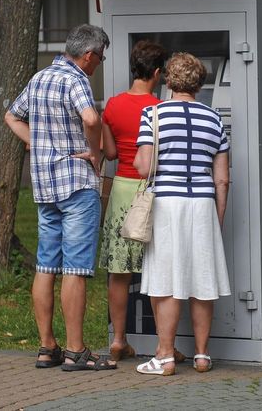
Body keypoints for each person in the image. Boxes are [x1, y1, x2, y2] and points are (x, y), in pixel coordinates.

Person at [4, 24, 116, 372]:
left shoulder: (39, 78)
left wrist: (37, 143)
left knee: (46, 265)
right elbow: (90, 117)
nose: (99, 64)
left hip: (45, 186)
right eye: (100, 58)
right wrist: (93, 151)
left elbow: (11, 116)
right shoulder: (76, 80)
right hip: (77, 185)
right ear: (89, 55)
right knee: (75, 268)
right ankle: (76, 351)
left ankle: (46, 347)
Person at [133, 52, 231, 376]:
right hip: (202, 202)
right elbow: (222, 178)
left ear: (168, 80)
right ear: (200, 83)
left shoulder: (153, 114)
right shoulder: (214, 119)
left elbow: (145, 166)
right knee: (203, 281)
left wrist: (137, 161)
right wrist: (217, 217)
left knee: (166, 280)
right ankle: (202, 355)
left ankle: (164, 356)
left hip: (167, 203)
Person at [98, 40, 166, 361]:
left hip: (123, 189)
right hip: (151, 190)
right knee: (156, 268)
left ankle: (118, 340)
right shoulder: (158, 108)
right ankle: (166, 345)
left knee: (119, 271)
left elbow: (109, 152)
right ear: (156, 73)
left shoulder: (112, 105)